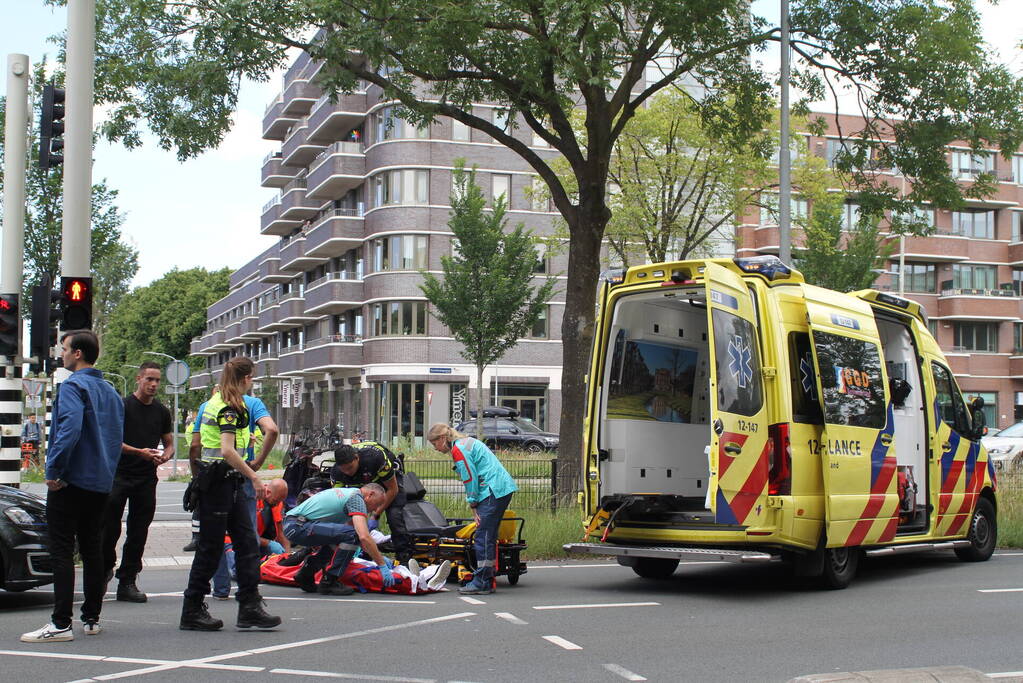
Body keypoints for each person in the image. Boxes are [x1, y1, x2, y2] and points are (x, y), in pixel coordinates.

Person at [21, 331, 123, 643]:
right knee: (93, 549)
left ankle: (60, 622)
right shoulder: (111, 393)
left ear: (77, 353)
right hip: (101, 483)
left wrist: (54, 471)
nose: (61, 353)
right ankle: (91, 617)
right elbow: (114, 439)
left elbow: (68, 431)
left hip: (71, 480)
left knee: (62, 550)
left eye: (64, 349)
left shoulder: (73, 387)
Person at [180, 357, 280, 631]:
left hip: (224, 481)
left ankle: (249, 606)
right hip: (221, 484)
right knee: (211, 548)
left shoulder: (215, 403)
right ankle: (192, 608)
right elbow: (226, 450)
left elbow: (197, 443)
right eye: (252, 378)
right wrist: (254, 475)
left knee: (247, 545)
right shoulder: (229, 408)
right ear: (246, 378)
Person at [101, 361, 173, 603]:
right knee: (109, 527)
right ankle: (104, 568)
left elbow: (170, 442)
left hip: (146, 478)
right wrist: (138, 451)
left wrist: (166, 455)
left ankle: (128, 580)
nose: (153, 384)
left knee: (138, 531)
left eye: (157, 380)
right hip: (119, 475)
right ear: (138, 379)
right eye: (149, 379)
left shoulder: (162, 411)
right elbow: (112, 441)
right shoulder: (122, 406)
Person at [426, 422, 516, 595]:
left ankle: (482, 582)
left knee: (483, 536)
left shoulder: (459, 449)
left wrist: (473, 503)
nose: (435, 448)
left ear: (443, 438)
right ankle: (486, 579)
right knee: (488, 535)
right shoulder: (466, 442)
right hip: (500, 488)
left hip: (492, 491)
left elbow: (470, 478)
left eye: (434, 443)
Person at [183, 392, 278, 552]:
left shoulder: (208, 406)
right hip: (243, 475)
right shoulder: (252, 403)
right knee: (246, 533)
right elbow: (272, 430)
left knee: (214, 536)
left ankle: (219, 573)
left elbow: (195, 446)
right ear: (246, 379)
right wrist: (257, 464)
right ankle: (245, 570)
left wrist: (196, 478)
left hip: (212, 477)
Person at [282, 483, 395, 596]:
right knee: (352, 535)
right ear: (370, 494)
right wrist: (381, 564)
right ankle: (330, 581)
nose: (376, 509)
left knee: (345, 537)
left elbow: (355, 538)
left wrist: (376, 557)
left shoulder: (350, 494)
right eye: (378, 504)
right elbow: (363, 536)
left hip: (295, 525)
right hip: (298, 526)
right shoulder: (356, 499)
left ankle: (306, 573)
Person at [331, 441, 413, 565]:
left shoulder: (375, 458)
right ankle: (357, 552)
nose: (347, 472)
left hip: (386, 480)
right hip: (365, 483)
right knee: (349, 520)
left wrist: (375, 515)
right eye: (344, 469)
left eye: (350, 468)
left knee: (394, 515)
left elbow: (393, 490)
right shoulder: (337, 472)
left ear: (357, 458)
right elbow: (340, 500)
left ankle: (404, 556)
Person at [212, 478, 290, 600]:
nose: (277, 503)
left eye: (280, 501)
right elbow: (244, 532)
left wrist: (288, 555)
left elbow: (281, 533)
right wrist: (269, 543)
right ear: (268, 492)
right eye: (275, 501)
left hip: (256, 542)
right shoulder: (250, 499)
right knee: (236, 571)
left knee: (275, 561)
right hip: (232, 540)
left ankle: (257, 571)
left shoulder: (276, 501)